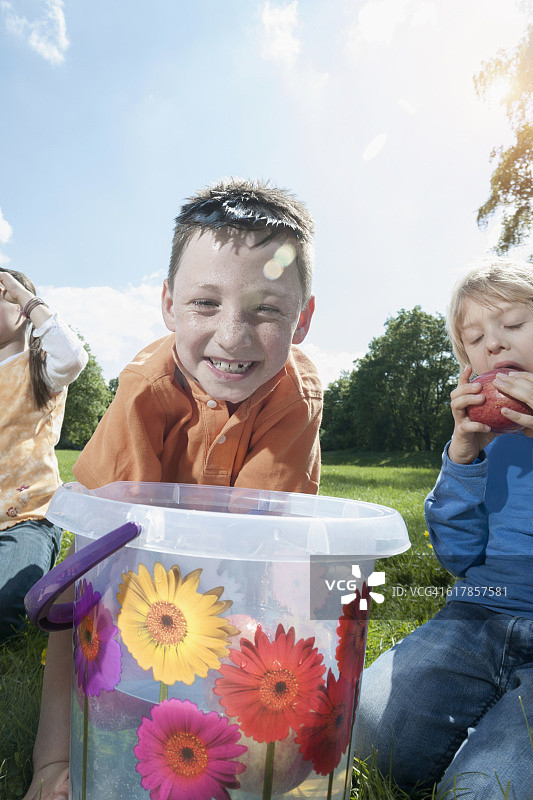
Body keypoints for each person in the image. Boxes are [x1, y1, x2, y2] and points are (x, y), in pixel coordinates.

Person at [23, 177, 323, 800]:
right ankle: (51, 763)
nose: (233, 336)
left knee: (278, 633)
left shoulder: (298, 394)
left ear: (304, 319)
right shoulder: (145, 386)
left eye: (267, 309)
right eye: (205, 304)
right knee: (82, 612)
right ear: (167, 304)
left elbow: (264, 538)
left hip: (243, 546)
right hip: (128, 547)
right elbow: (113, 551)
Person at [355, 259, 533, 799]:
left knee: (486, 790)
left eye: (516, 325)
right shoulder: (485, 443)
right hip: (478, 612)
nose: (495, 345)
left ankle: (485, 746)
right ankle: (478, 729)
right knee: (362, 739)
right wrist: (461, 459)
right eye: (476, 338)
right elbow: (457, 553)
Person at [0, 269, 88, 643]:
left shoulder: (42, 367)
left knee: (6, 606)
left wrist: (25, 295)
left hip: (29, 519)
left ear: (20, 309)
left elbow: (73, 356)